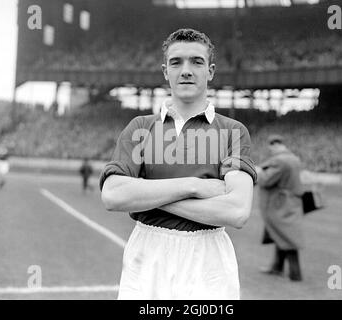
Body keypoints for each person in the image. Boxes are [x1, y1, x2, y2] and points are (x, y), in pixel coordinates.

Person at [99, 28, 257, 299]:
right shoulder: (141, 127)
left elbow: (237, 210)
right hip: (147, 256)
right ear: (165, 71)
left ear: (210, 71)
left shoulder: (233, 130)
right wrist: (194, 186)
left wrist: (146, 193)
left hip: (208, 260)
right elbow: (113, 195)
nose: (186, 70)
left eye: (196, 62)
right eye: (176, 62)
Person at [257, 134, 304, 281]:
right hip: (291, 202)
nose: (270, 150)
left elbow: (265, 180)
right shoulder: (294, 158)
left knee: (288, 237)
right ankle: (277, 267)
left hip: (280, 204)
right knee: (281, 234)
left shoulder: (280, 161)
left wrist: (259, 172)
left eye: (270, 147)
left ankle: (296, 274)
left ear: (274, 145)